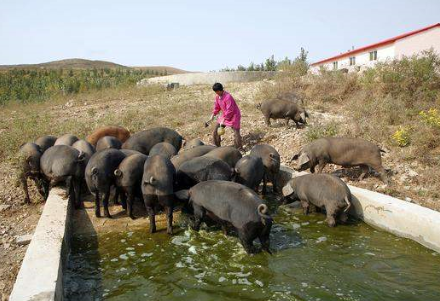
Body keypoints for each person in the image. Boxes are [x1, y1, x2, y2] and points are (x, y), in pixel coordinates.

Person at [205, 83, 243, 149]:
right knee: (216, 131)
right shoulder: (217, 97)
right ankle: (217, 147)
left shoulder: (228, 97)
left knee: (236, 132)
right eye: (215, 92)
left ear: (220, 90)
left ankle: (239, 148)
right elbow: (217, 107)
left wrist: (224, 119)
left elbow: (230, 110)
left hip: (234, 115)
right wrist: (213, 115)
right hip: (225, 114)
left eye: (217, 91)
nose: (216, 93)